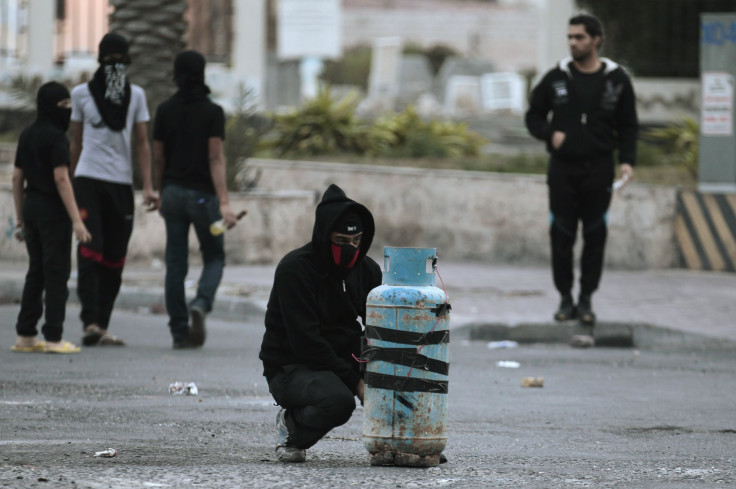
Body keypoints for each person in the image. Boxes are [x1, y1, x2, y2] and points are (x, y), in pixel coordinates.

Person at [525, 14, 638, 340]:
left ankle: (586, 299)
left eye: (579, 37)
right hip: (563, 170)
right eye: (570, 37)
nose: (573, 42)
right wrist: (549, 134)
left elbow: (629, 126)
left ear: (596, 40)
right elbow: (533, 115)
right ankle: (565, 299)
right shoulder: (556, 78)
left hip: (599, 169)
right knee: (561, 234)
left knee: (594, 235)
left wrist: (627, 161)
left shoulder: (617, 80)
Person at [259, 184, 382, 463]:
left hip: (342, 360)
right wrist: (357, 384)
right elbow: (306, 343)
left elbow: (379, 326)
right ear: (324, 236)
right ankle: (292, 428)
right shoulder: (296, 270)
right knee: (338, 401)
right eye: (341, 241)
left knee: (398, 375)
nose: (350, 249)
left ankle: (403, 442)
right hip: (292, 365)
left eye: (357, 241)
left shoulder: (367, 271)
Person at [70, 32, 158, 347]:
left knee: (115, 257)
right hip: (88, 179)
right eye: (110, 61)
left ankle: (102, 325)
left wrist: (148, 185)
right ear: (100, 60)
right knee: (90, 248)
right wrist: (67, 183)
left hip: (122, 184)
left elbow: (142, 143)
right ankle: (90, 321)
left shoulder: (135, 96)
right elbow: (76, 141)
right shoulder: (81, 94)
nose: (116, 66)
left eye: (121, 61)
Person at [153, 50, 238, 349]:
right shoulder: (212, 112)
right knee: (214, 255)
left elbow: (159, 158)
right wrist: (224, 203)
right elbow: (215, 156)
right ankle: (201, 302)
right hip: (204, 198)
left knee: (175, 264)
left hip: (173, 194)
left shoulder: (164, 110)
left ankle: (179, 332)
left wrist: (160, 192)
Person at [11, 82, 92, 354]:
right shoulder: (57, 138)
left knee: (36, 271)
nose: (68, 111)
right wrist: (77, 220)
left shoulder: (27, 134)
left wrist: (20, 216)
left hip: (32, 207)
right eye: (64, 106)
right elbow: (61, 178)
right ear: (50, 107)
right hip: (52, 212)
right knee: (56, 273)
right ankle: (54, 336)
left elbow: (16, 177)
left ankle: (25, 333)